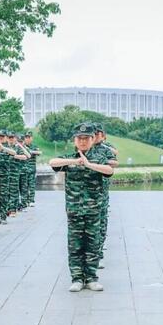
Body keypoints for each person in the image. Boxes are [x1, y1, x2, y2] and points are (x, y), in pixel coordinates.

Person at [49, 123, 114, 292]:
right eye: (79, 138)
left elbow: (109, 170)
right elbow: (52, 162)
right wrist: (75, 161)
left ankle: (91, 278)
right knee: (75, 245)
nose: (83, 141)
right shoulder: (69, 157)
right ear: (75, 140)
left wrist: (88, 164)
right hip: (74, 209)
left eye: (86, 138)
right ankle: (77, 278)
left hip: (94, 209)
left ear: (92, 139)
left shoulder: (99, 157)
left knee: (93, 244)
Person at [92, 123, 118, 267]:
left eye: (98, 133)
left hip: (102, 189)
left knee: (101, 220)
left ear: (102, 135)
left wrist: (100, 161)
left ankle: (98, 253)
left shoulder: (105, 148)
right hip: (86, 191)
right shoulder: (85, 147)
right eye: (94, 133)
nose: (95, 136)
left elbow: (114, 162)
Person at [0, 130, 17, 225]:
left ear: (6, 138)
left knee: (3, 196)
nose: (0, 138)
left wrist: (2, 147)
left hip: (4, 176)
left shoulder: (8, 147)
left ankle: (3, 216)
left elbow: (14, 153)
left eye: (2, 136)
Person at [24, 131, 42, 207]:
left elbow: (39, 152)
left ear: (31, 138)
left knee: (31, 185)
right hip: (24, 169)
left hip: (31, 169)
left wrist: (29, 151)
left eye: (29, 137)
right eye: (26, 137)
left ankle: (31, 200)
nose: (27, 139)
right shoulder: (22, 146)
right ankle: (25, 201)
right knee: (24, 185)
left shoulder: (34, 146)